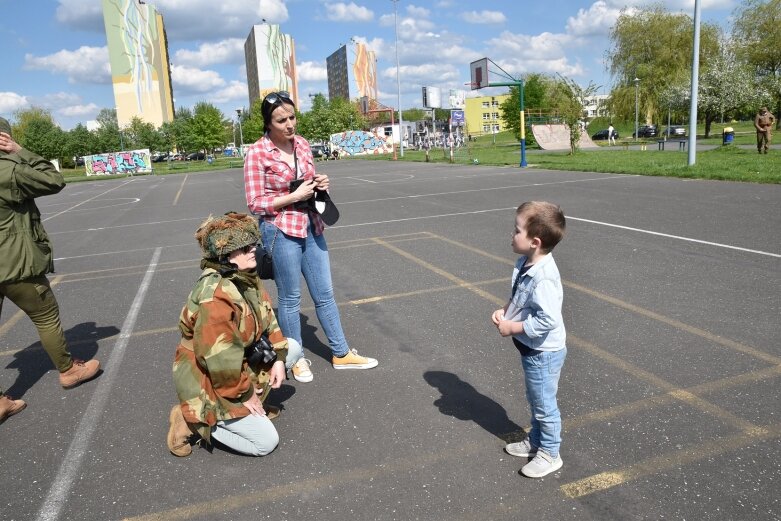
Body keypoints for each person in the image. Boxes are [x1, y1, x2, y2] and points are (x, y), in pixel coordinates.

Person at [244, 91, 378, 383]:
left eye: (292, 117)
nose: (289, 124)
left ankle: (341, 354)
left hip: (311, 224)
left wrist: (320, 184)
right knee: (290, 299)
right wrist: (292, 196)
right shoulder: (257, 152)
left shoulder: (302, 144)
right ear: (268, 123)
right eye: (281, 120)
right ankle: (296, 359)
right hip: (280, 230)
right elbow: (255, 202)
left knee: (325, 294)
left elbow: (310, 182)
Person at [167, 212, 304, 457]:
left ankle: (250, 409)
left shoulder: (245, 277)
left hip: (235, 362)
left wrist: (280, 359)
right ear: (225, 256)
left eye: (253, 244)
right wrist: (245, 393)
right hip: (209, 376)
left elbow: (268, 320)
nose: (254, 250)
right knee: (265, 443)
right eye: (245, 247)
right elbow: (219, 361)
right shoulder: (215, 297)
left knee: (291, 348)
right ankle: (193, 421)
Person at [0, 117, 100, 421]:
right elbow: (53, 179)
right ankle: (69, 371)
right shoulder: (8, 169)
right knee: (45, 316)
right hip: (14, 263)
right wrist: (20, 150)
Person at [491, 201, 567, 478]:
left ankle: (550, 452)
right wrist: (506, 310)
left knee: (544, 405)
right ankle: (536, 441)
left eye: (516, 230)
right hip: (531, 348)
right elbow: (521, 295)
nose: (511, 235)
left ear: (535, 241)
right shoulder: (525, 262)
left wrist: (513, 327)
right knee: (535, 399)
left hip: (544, 353)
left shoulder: (544, 276)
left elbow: (548, 319)